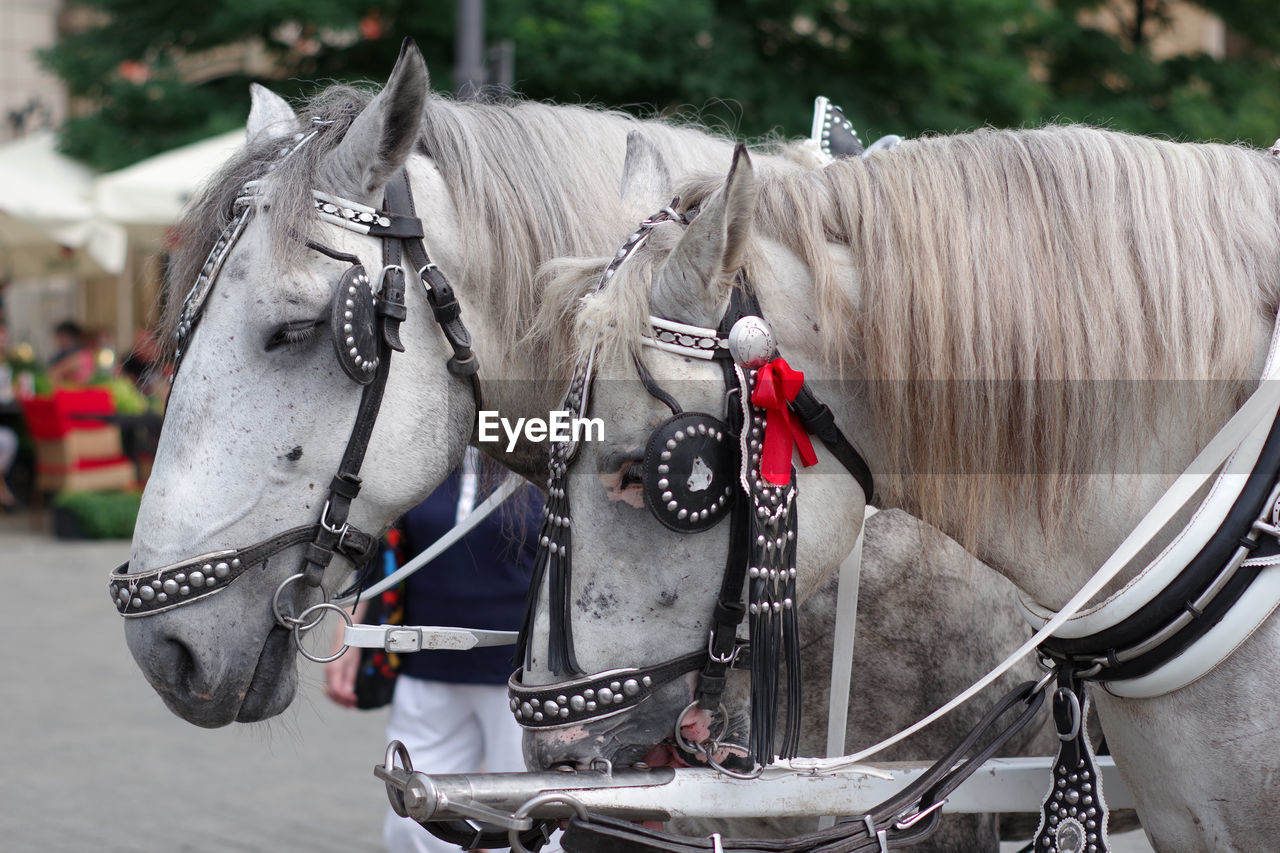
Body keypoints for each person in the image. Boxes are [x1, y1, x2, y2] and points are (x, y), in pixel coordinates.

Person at [326, 448, 540, 853]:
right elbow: (383, 549)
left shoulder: (548, 452)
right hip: (425, 667)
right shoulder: (425, 454)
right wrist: (349, 630)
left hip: (524, 680)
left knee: (529, 825)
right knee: (414, 824)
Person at [46, 320, 96, 386]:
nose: (59, 341)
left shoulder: (81, 355)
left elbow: (53, 373)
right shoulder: (65, 354)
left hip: (75, 392)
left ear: (72, 337)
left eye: (62, 337)